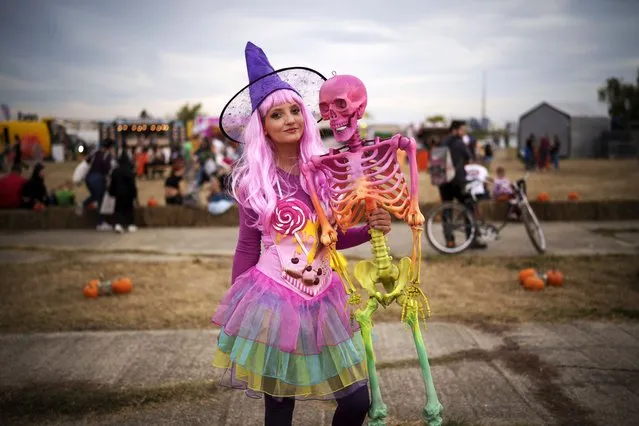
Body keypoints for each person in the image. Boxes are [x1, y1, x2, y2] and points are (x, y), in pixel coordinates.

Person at [211, 42, 390, 426]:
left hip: (325, 295)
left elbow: (332, 238)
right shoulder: (253, 183)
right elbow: (246, 245)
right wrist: (240, 308)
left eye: (295, 110)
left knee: (357, 401)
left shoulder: (324, 172)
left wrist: (367, 229)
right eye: (277, 114)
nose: (290, 119)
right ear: (263, 128)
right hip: (273, 297)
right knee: (278, 407)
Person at [438, 120, 486, 249]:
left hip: (443, 182)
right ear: (455, 130)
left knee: (446, 209)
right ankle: (472, 240)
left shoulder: (443, 142)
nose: (464, 132)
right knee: (468, 206)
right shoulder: (459, 143)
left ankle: (450, 241)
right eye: (462, 130)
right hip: (457, 182)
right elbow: (469, 158)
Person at [81, 139, 115, 231]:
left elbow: (86, 162)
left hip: (88, 178)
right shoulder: (107, 156)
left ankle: (83, 204)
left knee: (96, 196)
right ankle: (101, 223)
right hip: (98, 179)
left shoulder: (95, 153)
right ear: (110, 147)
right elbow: (107, 170)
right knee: (101, 200)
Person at [108, 152, 138, 233]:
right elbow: (132, 184)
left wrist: (111, 192)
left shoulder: (115, 171)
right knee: (129, 209)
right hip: (128, 194)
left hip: (118, 194)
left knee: (118, 209)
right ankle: (130, 225)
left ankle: (118, 225)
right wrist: (135, 194)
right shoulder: (130, 171)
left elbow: (112, 184)